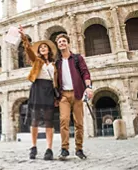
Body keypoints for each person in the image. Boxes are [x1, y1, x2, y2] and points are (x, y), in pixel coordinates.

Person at [18, 25, 58, 160]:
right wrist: (24, 37)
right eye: (40, 48)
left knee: (49, 121)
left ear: (49, 50)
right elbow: (28, 50)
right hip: (37, 87)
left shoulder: (54, 64)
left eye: (44, 47)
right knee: (34, 120)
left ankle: (49, 149)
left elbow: (57, 80)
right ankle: (33, 147)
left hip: (49, 90)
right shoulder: (37, 60)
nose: (42, 48)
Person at [54, 33, 93, 160]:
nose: (62, 43)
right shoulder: (57, 62)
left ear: (68, 43)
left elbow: (85, 72)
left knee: (79, 123)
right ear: (58, 45)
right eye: (59, 42)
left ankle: (79, 149)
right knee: (64, 121)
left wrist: (88, 87)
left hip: (77, 94)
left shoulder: (77, 58)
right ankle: (64, 149)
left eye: (64, 41)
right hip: (63, 95)